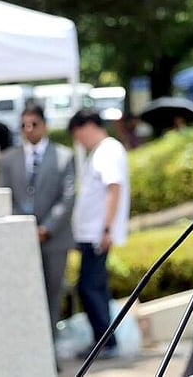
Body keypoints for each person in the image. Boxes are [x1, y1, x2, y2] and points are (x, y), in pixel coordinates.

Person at [0, 104, 75, 356]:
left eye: (34, 124)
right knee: (23, 295)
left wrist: (46, 228)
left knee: (52, 294)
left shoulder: (64, 156)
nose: (28, 130)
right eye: (23, 125)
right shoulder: (9, 159)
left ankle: (49, 353)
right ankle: (27, 352)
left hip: (54, 239)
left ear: (45, 125)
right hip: (21, 238)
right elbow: (4, 196)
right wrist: (24, 226)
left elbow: (69, 197)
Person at [68, 108, 130, 359]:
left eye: (78, 134)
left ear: (89, 126)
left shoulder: (108, 150)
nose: (78, 140)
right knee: (94, 287)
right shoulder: (101, 151)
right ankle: (103, 340)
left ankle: (106, 342)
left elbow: (113, 189)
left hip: (97, 234)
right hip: (91, 234)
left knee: (90, 287)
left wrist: (106, 228)